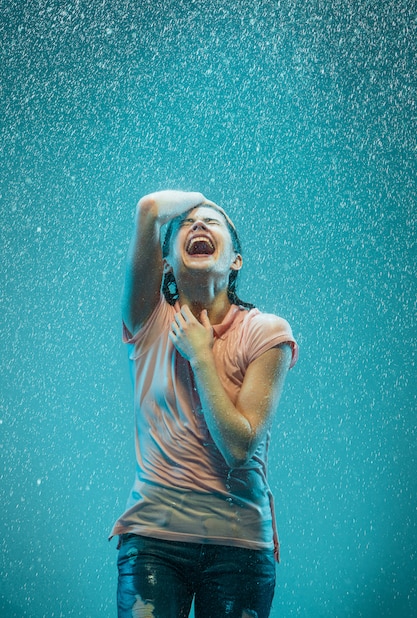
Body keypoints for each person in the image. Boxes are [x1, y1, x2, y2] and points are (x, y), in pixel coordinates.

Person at [110, 190, 298, 618]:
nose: (198, 225)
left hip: (241, 546)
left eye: (213, 223)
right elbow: (148, 209)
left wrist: (199, 355)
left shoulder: (267, 332)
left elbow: (238, 447)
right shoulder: (148, 319)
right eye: (188, 224)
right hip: (153, 541)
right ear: (166, 264)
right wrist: (205, 201)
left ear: (236, 260)